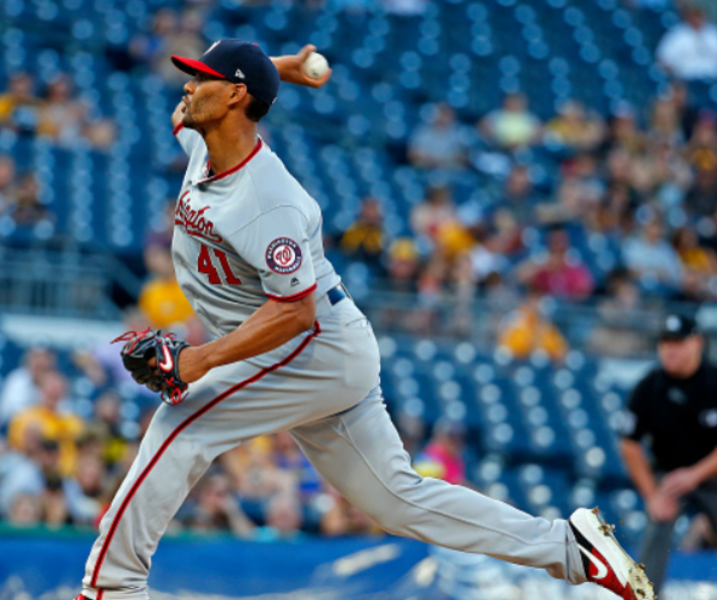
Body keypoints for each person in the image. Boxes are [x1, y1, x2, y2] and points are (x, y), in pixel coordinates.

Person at [74, 42, 652, 600]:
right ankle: (573, 549)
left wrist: (196, 360)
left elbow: (293, 311)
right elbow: (202, 100)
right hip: (320, 347)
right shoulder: (207, 139)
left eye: (201, 77)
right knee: (395, 501)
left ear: (232, 98)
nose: (187, 86)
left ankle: (111, 588)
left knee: (184, 420)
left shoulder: (269, 200)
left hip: (309, 344)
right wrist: (279, 71)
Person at [618, 313, 717, 595]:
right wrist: (651, 495)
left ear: (697, 343)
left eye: (678, 341)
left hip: (711, 473)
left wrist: (694, 475)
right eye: (665, 342)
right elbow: (629, 443)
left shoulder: (714, 382)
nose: (669, 348)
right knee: (659, 521)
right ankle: (645, 596)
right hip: (668, 476)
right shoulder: (650, 386)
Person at [656, 6, 717, 81]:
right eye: (694, 16)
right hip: (686, 79)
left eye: (699, 17)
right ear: (688, 17)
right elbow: (663, 59)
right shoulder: (677, 34)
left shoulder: (712, 33)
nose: (697, 20)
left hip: (712, 78)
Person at [0, 347, 54, 424]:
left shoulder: (56, 382)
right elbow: (15, 414)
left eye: (44, 358)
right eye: (36, 357)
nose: (40, 362)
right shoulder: (17, 380)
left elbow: (63, 412)